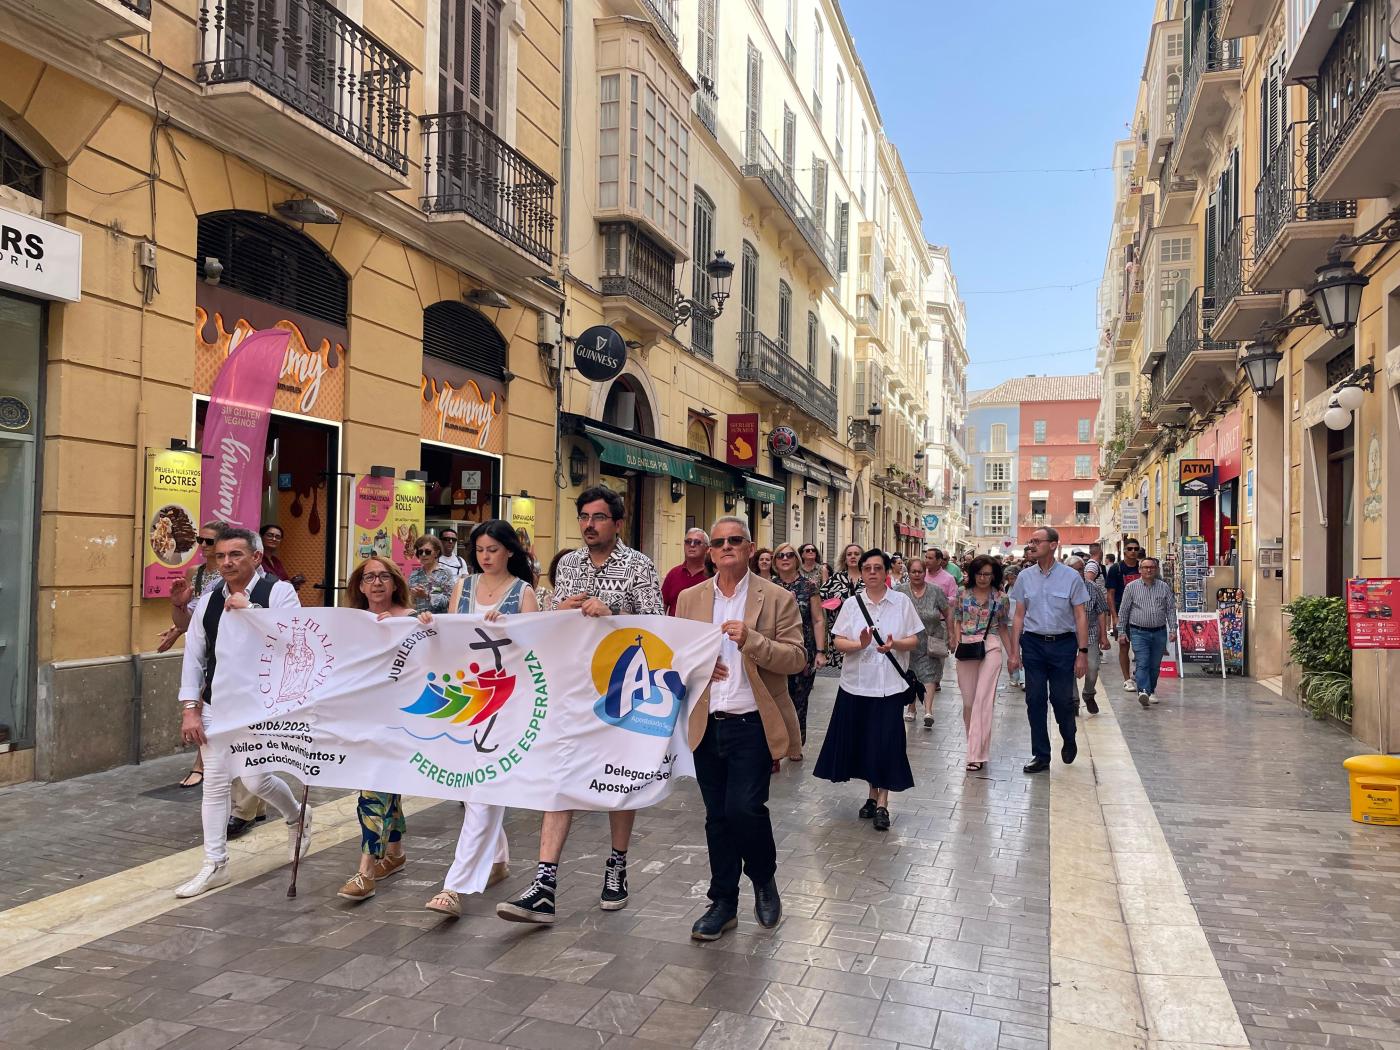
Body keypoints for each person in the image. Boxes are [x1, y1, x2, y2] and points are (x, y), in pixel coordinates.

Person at [498, 485, 662, 924]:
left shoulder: (639, 567)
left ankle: (617, 866)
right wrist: (560, 609)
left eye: (598, 517)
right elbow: (549, 621)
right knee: (560, 775)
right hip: (571, 688)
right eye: (584, 517)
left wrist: (614, 614)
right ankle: (545, 885)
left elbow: (659, 627)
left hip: (620, 691)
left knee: (619, 781)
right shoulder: (567, 564)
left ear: (617, 522)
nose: (589, 525)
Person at [675, 517, 807, 940]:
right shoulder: (689, 599)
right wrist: (695, 667)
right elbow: (674, 658)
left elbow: (796, 659)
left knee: (744, 809)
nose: (727, 547)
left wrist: (752, 640)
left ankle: (764, 878)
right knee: (717, 817)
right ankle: (724, 902)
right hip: (706, 723)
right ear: (709, 552)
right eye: (719, 542)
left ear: (751, 549)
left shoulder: (777, 598)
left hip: (753, 722)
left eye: (736, 540)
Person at [173, 527, 312, 898]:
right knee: (216, 785)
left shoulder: (277, 592)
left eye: (235, 555)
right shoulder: (209, 600)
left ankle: (298, 815)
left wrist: (251, 611)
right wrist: (190, 708)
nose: (227, 562)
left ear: (256, 557)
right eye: (221, 556)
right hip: (216, 705)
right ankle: (215, 864)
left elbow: (295, 640)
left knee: (255, 782)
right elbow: (195, 655)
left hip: (259, 707)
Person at [425, 520, 540, 916]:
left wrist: (510, 632)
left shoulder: (524, 593)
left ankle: (455, 884)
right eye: (480, 550)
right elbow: (455, 637)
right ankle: (498, 859)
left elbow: (535, 652)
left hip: (507, 700)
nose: (485, 556)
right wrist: (432, 626)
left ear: (510, 550)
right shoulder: (465, 587)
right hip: (468, 694)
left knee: (482, 787)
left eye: (493, 549)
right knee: (474, 784)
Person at [336, 557, 433, 902]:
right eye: (368, 577)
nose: (376, 583)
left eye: (383, 576)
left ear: (395, 583)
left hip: (401, 718)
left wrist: (428, 629)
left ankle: (365, 870)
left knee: (373, 788)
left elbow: (431, 662)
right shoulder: (352, 622)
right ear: (359, 586)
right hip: (365, 716)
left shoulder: (411, 620)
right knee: (385, 784)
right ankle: (395, 854)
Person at [815, 549, 921, 832]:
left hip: (889, 686)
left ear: (887, 572)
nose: (872, 572)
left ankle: (883, 803)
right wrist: (860, 645)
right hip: (857, 685)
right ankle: (871, 795)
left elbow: (913, 640)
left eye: (877, 568)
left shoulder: (901, 602)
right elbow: (838, 641)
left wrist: (894, 644)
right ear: (861, 573)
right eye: (867, 568)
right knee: (865, 743)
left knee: (886, 743)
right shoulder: (852, 604)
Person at [1007, 527, 1090, 775]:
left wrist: (1082, 652)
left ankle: (1069, 735)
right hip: (1032, 643)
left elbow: (1080, 616)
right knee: (1035, 700)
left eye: (1037, 541)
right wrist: (1013, 652)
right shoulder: (1024, 577)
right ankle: (1041, 754)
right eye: (1030, 541)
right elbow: (1019, 616)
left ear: (1053, 545)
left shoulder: (1070, 577)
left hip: (1063, 644)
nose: (1031, 545)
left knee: (1062, 700)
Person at [160, 519, 228, 789]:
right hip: (198, 643)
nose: (202, 546)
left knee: (202, 703)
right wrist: (177, 612)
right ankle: (205, 762)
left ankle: (202, 765)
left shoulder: (229, 574)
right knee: (197, 703)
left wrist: (178, 630)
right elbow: (187, 617)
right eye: (200, 540)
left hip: (221, 644)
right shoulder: (194, 572)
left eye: (209, 541)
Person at [952, 556, 1012, 772]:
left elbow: (1004, 627)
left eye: (988, 574)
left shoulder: (1001, 598)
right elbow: (957, 619)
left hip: (991, 647)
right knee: (969, 702)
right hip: (967, 648)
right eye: (979, 573)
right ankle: (974, 743)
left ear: (994, 575)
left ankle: (976, 754)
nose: (983, 578)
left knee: (983, 701)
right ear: (972, 573)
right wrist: (956, 640)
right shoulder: (962, 593)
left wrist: (1014, 655)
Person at [770, 542, 828, 756]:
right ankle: (775, 747)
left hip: (804, 651)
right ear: (775, 562)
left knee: (799, 700)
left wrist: (821, 651)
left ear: (796, 560)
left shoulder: (809, 586)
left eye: (789, 555)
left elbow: (818, 620)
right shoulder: (769, 586)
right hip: (775, 651)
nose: (785, 559)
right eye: (780, 556)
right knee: (775, 699)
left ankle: (796, 745)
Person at [899, 558, 953, 728]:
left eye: (920, 571)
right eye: (913, 571)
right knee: (911, 675)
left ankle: (928, 711)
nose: (917, 575)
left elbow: (948, 612)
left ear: (925, 572)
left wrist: (951, 633)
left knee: (929, 676)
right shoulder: (899, 591)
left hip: (931, 639)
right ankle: (911, 707)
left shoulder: (935, 591)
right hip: (908, 641)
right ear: (908, 572)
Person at [1117, 556, 1178, 708]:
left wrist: (1173, 629)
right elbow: (1124, 611)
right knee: (1142, 662)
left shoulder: (1164, 587)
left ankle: (1151, 690)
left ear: (1156, 569)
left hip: (1159, 632)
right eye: (1145, 567)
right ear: (1140, 570)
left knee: (1155, 664)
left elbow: (1170, 609)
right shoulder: (1131, 587)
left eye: (1151, 567)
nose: (1149, 570)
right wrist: (1121, 632)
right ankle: (1143, 691)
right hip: (1138, 631)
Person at [1069, 557, 1112, 716]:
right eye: (1074, 569)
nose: (1078, 572)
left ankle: (1088, 693)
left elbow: (1101, 611)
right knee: (1068, 669)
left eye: (1080, 569)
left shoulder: (1093, 587)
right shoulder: (1061, 588)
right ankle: (1073, 700)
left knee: (1092, 667)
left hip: (1091, 634)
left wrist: (1104, 636)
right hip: (1067, 635)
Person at [819, 543, 865, 673]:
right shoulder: (836, 578)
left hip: (863, 629)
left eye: (856, 554)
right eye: (849, 554)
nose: (853, 557)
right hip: (841, 629)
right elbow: (821, 598)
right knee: (846, 668)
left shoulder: (868, 578)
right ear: (844, 558)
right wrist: (833, 602)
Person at [1105, 539, 1144, 690]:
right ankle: (1127, 679)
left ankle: (1138, 674)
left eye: (1136, 548)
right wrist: (1115, 617)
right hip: (1122, 613)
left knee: (1141, 647)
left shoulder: (1143, 567)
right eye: (1130, 549)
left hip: (1141, 613)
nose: (1133, 551)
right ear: (1125, 551)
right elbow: (1110, 594)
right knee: (1124, 646)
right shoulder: (1116, 569)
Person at [663, 528, 713, 615]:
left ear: (707, 549)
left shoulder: (713, 575)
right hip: (674, 627)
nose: (692, 545)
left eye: (697, 542)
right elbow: (662, 606)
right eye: (688, 541)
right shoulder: (673, 574)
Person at [408, 534, 455, 614]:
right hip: (418, 621)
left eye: (427, 552)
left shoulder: (445, 573)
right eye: (420, 552)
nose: (423, 555)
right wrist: (412, 597)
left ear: (436, 553)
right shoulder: (414, 575)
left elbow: (450, 601)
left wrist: (427, 596)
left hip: (438, 621)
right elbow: (408, 604)